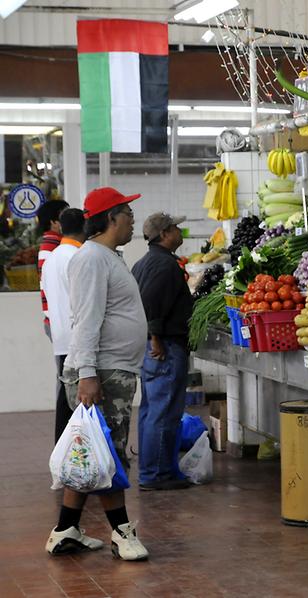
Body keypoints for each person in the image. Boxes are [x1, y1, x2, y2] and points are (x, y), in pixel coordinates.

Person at [46, 187, 149, 561]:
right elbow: (85, 322)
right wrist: (88, 373)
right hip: (101, 372)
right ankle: (122, 533)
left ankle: (66, 530)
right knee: (108, 454)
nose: (132, 219)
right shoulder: (91, 259)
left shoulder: (108, 256)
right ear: (110, 218)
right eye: (127, 213)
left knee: (90, 452)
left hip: (112, 369)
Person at [131, 213, 193, 491]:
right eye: (176, 228)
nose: (180, 232)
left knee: (151, 409)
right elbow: (150, 305)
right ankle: (156, 474)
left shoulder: (143, 263)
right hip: (164, 346)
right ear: (166, 233)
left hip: (154, 344)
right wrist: (155, 337)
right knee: (163, 409)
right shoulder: (165, 265)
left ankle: (155, 470)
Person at [40, 208, 86, 443]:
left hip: (60, 339)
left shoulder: (52, 258)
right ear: (84, 227)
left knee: (65, 402)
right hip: (78, 340)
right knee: (80, 403)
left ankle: (64, 452)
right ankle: (78, 457)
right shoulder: (77, 257)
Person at [37, 199, 69, 337]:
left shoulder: (54, 244)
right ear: (54, 222)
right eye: (65, 216)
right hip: (58, 322)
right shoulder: (52, 247)